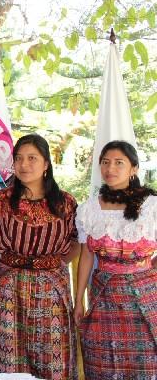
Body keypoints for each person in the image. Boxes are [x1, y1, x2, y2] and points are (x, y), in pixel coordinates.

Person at [0, 134, 79, 379]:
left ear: (46, 164)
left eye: (32, 158)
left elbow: (77, 244)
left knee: (54, 358)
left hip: (52, 292)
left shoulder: (66, 203)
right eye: (19, 158)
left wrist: (55, 265)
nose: (24, 165)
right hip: (8, 292)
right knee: (8, 360)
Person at [74, 140, 157, 379]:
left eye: (119, 163)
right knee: (101, 360)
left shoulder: (152, 206)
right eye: (105, 162)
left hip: (145, 295)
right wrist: (79, 300)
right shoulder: (89, 209)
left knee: (147, 361)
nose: (110, 168)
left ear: (134, 169)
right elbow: (87, 256)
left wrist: (147, 269)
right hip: (104, 296)